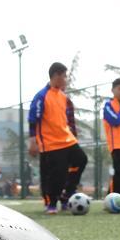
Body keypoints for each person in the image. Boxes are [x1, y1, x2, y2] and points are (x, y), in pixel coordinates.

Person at [28, 62, 88, 214]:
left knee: (81, 159)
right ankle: (52, 203)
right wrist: (33, 141)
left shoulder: (63, 97)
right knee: (57, 175)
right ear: (56, 76)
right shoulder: (42, 96)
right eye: (64, 76)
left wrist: (73, 134)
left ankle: (67, 193)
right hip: (51, 143)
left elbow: (68, 119)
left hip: (67, 140)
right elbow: (33, 120)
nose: (66, 79)